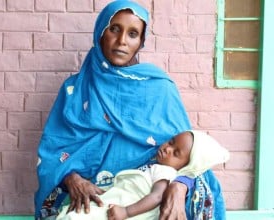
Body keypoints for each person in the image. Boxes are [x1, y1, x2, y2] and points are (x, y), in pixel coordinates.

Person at [34, 1, 226, 219]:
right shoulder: (75, 90)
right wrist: (72, 179)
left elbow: (189, 152)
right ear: (100, 33)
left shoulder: (160, 88)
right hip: (95, 193)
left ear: (140, 42)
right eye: (114, 29)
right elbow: (54, 151)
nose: (122, 41)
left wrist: (179, 186)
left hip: (148, 191)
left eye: (133, 34)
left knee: (200, 188)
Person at [56, 130, 230, 220]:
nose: (167, 148)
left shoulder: (166, 172)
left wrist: (125, 211)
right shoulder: (156, 166)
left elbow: (157, 196)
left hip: (123, 210)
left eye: (175, 153)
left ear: (186, 166)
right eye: (171, 141)